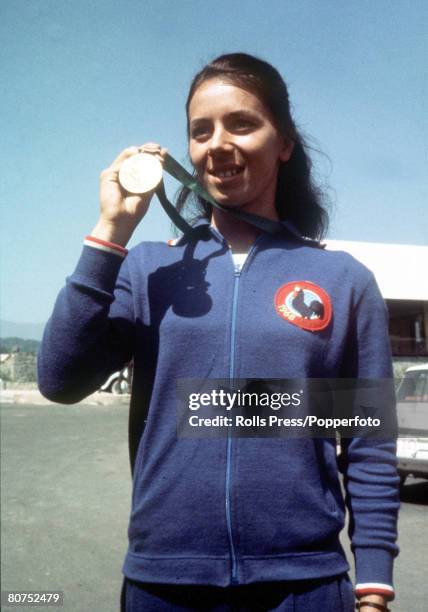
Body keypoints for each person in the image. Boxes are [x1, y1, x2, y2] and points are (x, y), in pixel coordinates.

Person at [38, 53, 399, 611]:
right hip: (165, 583)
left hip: (304, 585)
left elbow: (366, 444)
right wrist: (111, 231)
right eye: (200, 131)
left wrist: (373, 584)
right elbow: (60, 380)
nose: (217, 144)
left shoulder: (340, 279)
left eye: (242, 123)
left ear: (284, 143)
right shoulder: (149, 269)